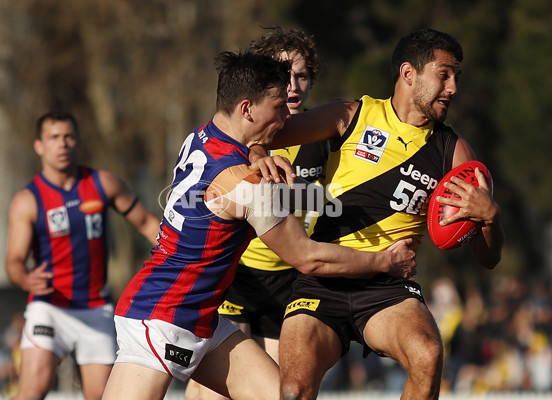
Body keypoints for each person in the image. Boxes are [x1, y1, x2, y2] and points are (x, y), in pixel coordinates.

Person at [100, 50, 417, 400]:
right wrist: (386, 262)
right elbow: (308, 258)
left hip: (203, 319)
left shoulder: (202, 135)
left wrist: (258, 152)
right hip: (161, 318)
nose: (287, 116)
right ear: (247, 108)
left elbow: (241, 160)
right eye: (279, 106)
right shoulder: (246, 186)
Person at [266, 28, 505, 400]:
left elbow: (488, 259)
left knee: (427, 354)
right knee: (293, 389)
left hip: (388, 288)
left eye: (457, 75)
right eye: (444, 74)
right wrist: (254, 154)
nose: (453, 87)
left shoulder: (454, 152)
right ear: (409, 74)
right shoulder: (350, 115)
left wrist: (489, 218)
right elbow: (264, 134)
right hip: (323, 280)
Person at [185, 26, 328, 400]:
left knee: (282, 390)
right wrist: (258, 153)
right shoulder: (247, 131)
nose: (293, 86)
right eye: (283, 75)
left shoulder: (325, 133)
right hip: (240, 271)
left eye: (301, 76)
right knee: (212, 391)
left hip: (289, 280)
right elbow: (232, 152)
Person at [5, 111, 160, 400]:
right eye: (54, 138)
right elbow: (14, 261)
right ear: (39, 146)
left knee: (103, 396)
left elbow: (147, 223)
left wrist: (182, 256)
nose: (62, 144)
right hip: (50, 307)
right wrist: (26, 279)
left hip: (95, 308)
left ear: (78, 142)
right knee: (32, 391)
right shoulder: (27, 200)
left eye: (69, 137)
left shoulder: (103, 183)